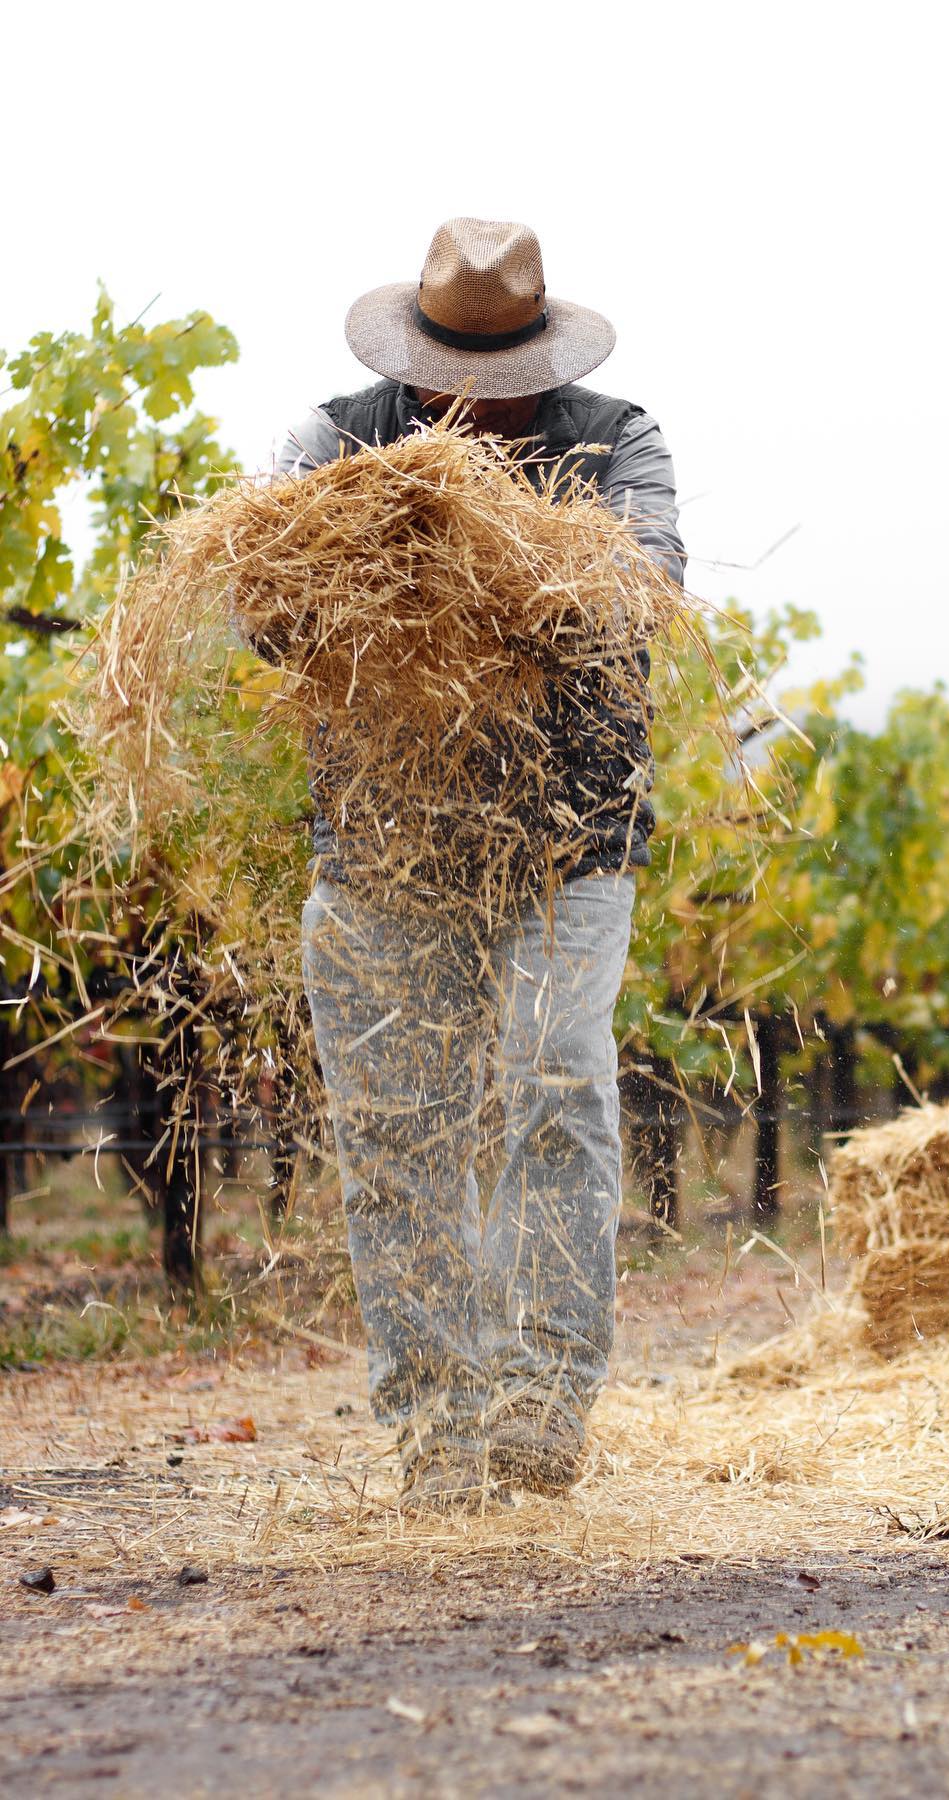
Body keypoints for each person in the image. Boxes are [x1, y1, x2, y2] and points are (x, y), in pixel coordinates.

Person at [273, 219, 685, 1508]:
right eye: (454, 378)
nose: (477, 408)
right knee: (399, 1128)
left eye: (504, 385)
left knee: (554, 1085)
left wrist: (487, 562)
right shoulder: (337, 441)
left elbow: (646, 587)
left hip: (568, 841)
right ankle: (440, 1427)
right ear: (419, 347)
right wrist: (382, 569)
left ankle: (544, 1411)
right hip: (383, 844)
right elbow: (266, 606)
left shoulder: (618, 439)